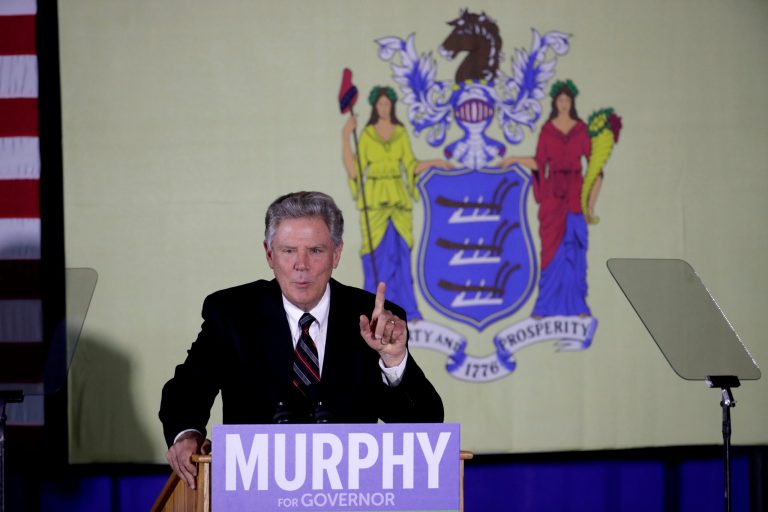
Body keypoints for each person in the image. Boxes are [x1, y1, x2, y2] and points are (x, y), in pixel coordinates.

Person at [159, 191, 444, 489]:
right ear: (269, 255)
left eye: (316, 251)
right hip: (252, 495)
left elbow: (427, 427)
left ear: (336, 253)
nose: (301, 265)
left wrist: (393, 359)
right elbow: (185, 392)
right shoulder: (232, 314)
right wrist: (187, 435)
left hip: (350, 497)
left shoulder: (374, 319)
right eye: (289, 251)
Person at [341, 86, 452, 321]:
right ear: (375, 107)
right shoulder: (367, 135)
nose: (384, 108)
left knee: (400, 256)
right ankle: (374, 310)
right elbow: (355, 170)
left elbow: (410, 166)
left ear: (391, 106)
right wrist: (345, 136)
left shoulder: (400, 133)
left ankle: (405, 310)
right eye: (380, 104)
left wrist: (435, 163)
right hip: (374, 204)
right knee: (376, 257)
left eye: (387, 104)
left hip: (398, 202)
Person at [500, 80, 595, 317]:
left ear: (572, 103)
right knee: (551, 252)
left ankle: (578, 305)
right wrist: (514, 159)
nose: (563, 104)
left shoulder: (581, 129)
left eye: (567, 100)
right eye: (560, 100)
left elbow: (595, 169)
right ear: (555, 103)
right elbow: (539, 163)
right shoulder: (548, 130)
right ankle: (545, 305)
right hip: (553, 196)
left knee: (575, 251)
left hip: (575, 195)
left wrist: (590, 205)